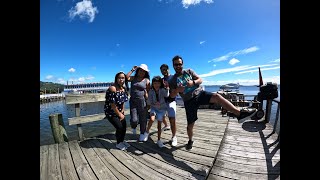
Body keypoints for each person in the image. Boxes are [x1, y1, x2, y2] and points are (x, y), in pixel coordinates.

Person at [168, 55, 257, 150]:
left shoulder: (189, 71)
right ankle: (190, 140)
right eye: (175, 64)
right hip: (189, 101)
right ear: (173, 65)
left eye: (179, 64)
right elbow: (172, 96)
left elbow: (200, 80)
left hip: (199, 94)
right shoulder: (172, 80)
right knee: (190, 125)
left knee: (217, 96)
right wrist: (177, 90)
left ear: (182, 64)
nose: (178, 66)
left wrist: (193, 83)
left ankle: (239, 114)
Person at [104, 71, 130, 150]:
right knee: (119, 127)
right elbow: (112, 105)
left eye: (123, 78)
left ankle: (121, 141)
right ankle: (118, 143)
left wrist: (122, 110)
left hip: (119, 111)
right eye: (119, 78)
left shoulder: (123, 88)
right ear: (116, 79)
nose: (121, 79)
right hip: (111, 111)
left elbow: (122, 101)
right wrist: (119, 114)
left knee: (124, 126)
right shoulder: (113, 88)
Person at [126, 64, 151, 142]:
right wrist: (132, 69)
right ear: (138, 71)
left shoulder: (147, 80)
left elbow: (148, 91)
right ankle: (134, 126)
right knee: (134, 119)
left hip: (142, 101)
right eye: (140, 70)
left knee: (143, 119)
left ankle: (142, 134)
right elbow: (126, 78)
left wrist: (148, 102)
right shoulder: (133, 78)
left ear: (145, 73)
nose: (142, 72)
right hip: (133, 101)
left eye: (144, 71)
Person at [145, 76, 170, 147]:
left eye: (158, 83)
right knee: (152, 119)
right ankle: (147, 132)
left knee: (159, 125)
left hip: (162, 109)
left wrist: (167, 88)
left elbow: (167, 95)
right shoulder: (151, 91)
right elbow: (149, 101)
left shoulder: (162, 90)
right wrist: (149, 101)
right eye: (155, 83)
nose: (156, 85)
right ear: (152, 84)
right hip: (154, 108)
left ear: (160, 84)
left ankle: (159, 140)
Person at [160, 64, 178, 146]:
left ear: (168, 69)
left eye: (165, 69)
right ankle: (166, 126)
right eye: (162, 70)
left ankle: (174, 137)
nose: (164, 71)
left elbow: (178, 87)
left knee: (172, 119)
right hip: (163, 102)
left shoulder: (174, 77)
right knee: (161, 116)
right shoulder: (161, 80)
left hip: (171, 101)